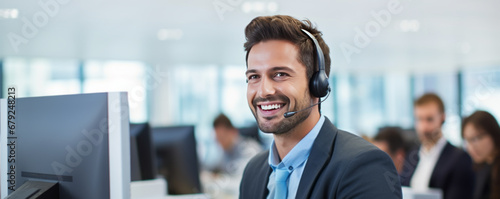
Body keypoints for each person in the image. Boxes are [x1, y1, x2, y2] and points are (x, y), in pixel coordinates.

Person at [239, 15, 401, 199]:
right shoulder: (253, 172)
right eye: (254, 77)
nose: (263, 91)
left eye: (280, 74)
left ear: (318, 84)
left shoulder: (364, 167)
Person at [400, 93, 475, 199]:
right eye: (419, 119)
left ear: (442, 118)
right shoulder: (412, 155)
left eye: (429, 119)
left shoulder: (459, 159)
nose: (424, 128)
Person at [462, 110, 500, 199]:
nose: (470, 147)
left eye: (475, 139)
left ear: (492, 133)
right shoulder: (479, 168)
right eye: (467, 140)